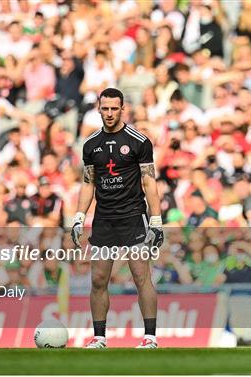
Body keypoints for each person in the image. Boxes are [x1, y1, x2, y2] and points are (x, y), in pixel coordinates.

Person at [71, 88, 163, 349]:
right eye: (105, 108)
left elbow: (149, 181)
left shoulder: (139, 141)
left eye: (114, 108)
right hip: (104, 219)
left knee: (140, 276)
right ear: (98, 109)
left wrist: (155, 221)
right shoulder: (90, 144)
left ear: (123, 109)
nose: (109, 113)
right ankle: (99, 337)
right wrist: (79, 216)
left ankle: (150, 337)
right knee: (98, 280)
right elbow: (88, 183)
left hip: (133, 216)